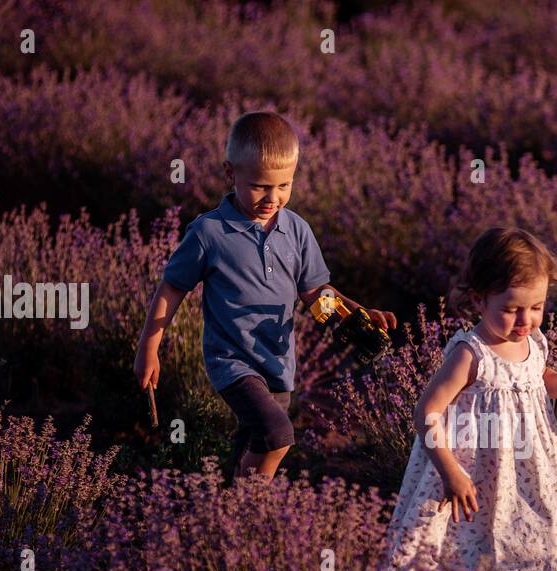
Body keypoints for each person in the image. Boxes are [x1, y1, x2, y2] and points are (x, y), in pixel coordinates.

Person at [133, 111, 396, 483]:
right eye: (260, 186)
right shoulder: (210, 232)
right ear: (230, 174)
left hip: (278, 363)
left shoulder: (297, 230)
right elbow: (172, 288)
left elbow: (314, 293)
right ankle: (252, 506)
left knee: (249, 448)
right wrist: (149, 347)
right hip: (232, 362)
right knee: (277, 435)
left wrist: (354, 311)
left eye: (284, 186)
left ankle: (224, 516)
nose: (273, 198)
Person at [385, 227, 557, 571]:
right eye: (510, 309)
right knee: (469, 536)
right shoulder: (470, 354)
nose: (525, 319)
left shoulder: (532, 342)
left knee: (533, 526)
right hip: (474, 469)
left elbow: (536, 380)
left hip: (527, 469)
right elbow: (427, 411)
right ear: (479, 299)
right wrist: (450, 471)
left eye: (536, 307)